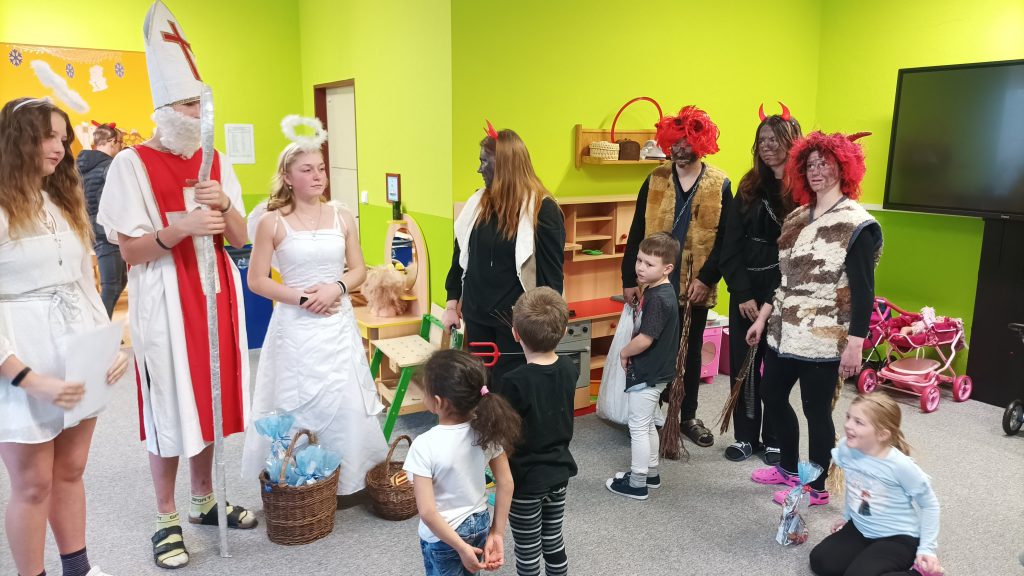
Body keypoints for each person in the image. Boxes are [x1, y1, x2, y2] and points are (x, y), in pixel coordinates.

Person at [96, 1, 255, 568]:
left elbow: (241, 237)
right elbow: (129, 251)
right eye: (190, 105)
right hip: (165, 299)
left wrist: (224, 205)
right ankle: (165, 516)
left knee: (210, 400)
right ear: (165, 109)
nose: (200, 114)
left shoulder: (216, 160)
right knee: (169, 404)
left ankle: (203, 498)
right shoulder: (131, 165)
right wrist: (180, 227)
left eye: (203, 104)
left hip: (216, 291)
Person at [0, 97, 129, 576]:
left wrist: (108, 344)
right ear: (17, 140)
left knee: (71, 471)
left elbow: (83, 283)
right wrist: (27, 378)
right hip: (21, 361)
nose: (59, 147)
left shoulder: (60, 201)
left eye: (63, 137)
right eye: (47, 136)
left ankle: (79, 569)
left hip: (75, 352)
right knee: (33, 484)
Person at [240, 137, 387, 495]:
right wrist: (302, 297)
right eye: (307, 170)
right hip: (295, 326)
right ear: (287, 177)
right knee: (296, 400)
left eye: (320, 168)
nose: (318, 176)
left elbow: (358, 269)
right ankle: (299, 485)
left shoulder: (342, 216)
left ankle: (349, 480)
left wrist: (336, 287)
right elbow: (256, 280)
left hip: (336, 322)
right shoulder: (272, 222)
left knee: (347, 402)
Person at [746, 130, 883, 505]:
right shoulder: (795, 218)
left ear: (844, 168)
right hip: (783, 331)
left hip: (824, 336)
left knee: (816, 411)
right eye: (811, 165)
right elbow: (784, 278)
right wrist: (762, 318)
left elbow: (864, 291)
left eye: (826, 164)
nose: (817, 171)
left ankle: (817, 487)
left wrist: (855, 344)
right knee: (772, 396)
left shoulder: (857, 223)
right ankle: (789, 468)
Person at [621, 105, 731, 449]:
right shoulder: (655, 179)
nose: (680, 148)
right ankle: (651, 413)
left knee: (691, 351)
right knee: (653, 347)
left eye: (687, 142)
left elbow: (726, 239)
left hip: (696, 285)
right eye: (675, 142)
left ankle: (687, 416)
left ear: (702, 143)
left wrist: (707, 278)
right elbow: (637, 228)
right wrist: (629, 278)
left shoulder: (720, 184)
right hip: (655, 285)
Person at [443, 125, 565, 386]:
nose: (479, 169)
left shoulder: (542, 210)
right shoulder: (477, 203)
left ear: (504, 165)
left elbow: (552, 277)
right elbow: (460, 256)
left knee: (511, 391)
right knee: (480, 389)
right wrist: (451, 304)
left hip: (516, 324)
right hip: (476, 316)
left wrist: (550, 323)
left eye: (484, 162)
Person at [719, 105, 802, 463]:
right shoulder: (749, 186)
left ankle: (775, 438)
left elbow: (799, 254)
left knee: (778, 366)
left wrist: (770, 298)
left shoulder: (804, 191)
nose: (767, 146)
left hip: (785, 287)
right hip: (746, 285)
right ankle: (745, 436)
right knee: (744, 363)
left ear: (792, 142)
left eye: (774, 139)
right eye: (762, 140)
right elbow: (729, 243)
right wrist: (741, 292)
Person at [404, 349, 521, 575]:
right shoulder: (487, 431)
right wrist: (497, 532)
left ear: (438, 402)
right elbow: (506, 483)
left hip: (444, 535)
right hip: (480, 523)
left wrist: (460, 547)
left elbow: (427, 512)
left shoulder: (424, 444)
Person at [809, 393, 943, 576]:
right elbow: (855, 488)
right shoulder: (847, 448)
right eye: (848, 417)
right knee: (821, 561)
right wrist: (847, 517)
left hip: (897, 539)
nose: (848, 425)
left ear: (882, 434)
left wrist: (927, 549)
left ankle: (920, 573)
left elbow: (930, 505)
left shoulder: (899, 465)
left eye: (858, 422)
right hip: (861, 528)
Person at [501, 287, 578, 575]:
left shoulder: (513, 381)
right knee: (554, 541)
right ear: (564, 331)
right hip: (559, 473)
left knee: (528, 550)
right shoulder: (570, 368)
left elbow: (503, 434)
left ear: (515, 334)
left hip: (524, 482)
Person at [606, 233, 680, 500]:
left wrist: (624, 352)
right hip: (657, 371)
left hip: (648, 372)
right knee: (647, 424)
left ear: (667, 268)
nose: (640, 267)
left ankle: (637, 483)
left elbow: (645, 339)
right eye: (639, 260)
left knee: (637, 426)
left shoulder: (659, 298)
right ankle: (651, 473)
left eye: (649, 264)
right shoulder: (659, 290)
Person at [77, 122, 126, 317]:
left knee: (118, 282)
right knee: (112, 285)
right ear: (112, 142)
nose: (121, 147)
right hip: (107, 230)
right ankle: (100, 328)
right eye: (120, 142)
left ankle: (100, 324)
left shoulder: (81, 166)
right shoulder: (110, 166)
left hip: (91, 228)